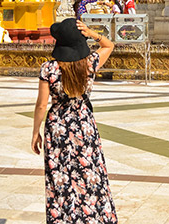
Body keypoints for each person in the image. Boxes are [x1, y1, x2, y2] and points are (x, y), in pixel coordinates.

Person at [31, 18, 118, 223]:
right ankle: (95, 217)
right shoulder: (89, 63)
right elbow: (109, 45)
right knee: (89, 172)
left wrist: (36, 132)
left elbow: (42, 104)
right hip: (84, 124)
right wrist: (92, 34)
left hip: (58, 126)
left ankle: (63, 218)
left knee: (60, 176)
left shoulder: (49, 68)